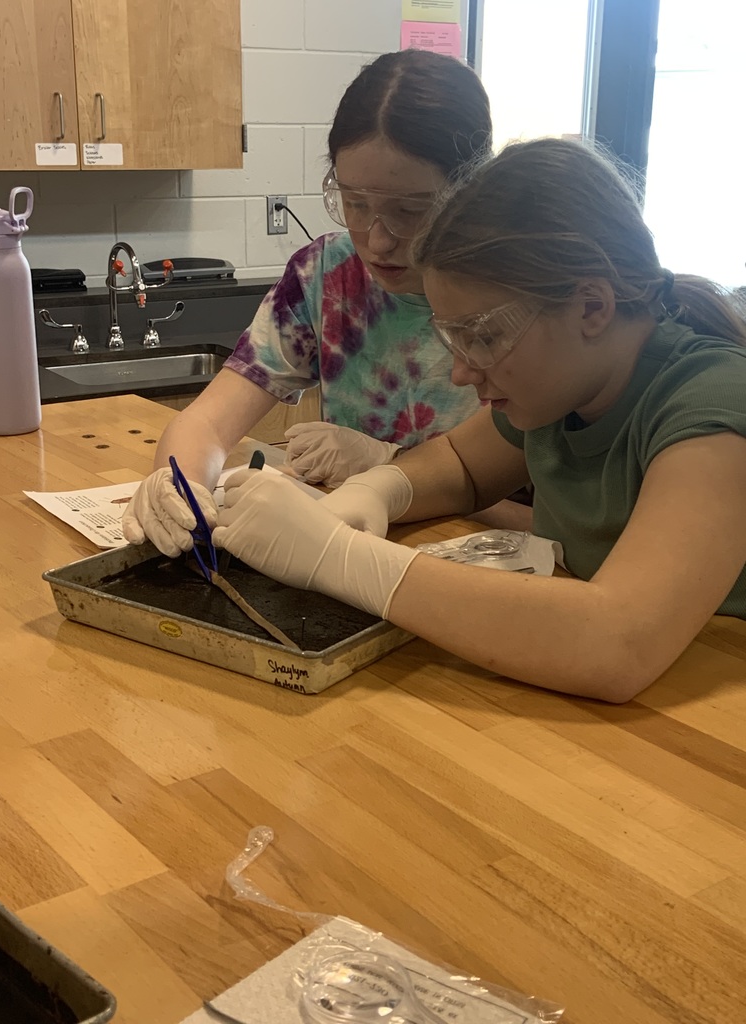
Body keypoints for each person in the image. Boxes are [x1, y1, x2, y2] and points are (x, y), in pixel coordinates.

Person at [210, 137, 746, 703]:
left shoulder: (714, 407)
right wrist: (377, 489)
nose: (462, 371)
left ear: (592, 306)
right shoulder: (566, 392)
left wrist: (337, 558)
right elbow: (461, 466)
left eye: (483, 337)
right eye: (453, 339)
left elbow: (616, 641)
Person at [122, 49, 493, 556]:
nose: (378, 240)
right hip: (350, 553)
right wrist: (177, 484)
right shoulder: (328, 277)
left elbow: (537, 506)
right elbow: (208, 421)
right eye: (355, 203)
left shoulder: (514, 298)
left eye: (410, 211)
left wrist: (386, 465)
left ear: (471, 191)